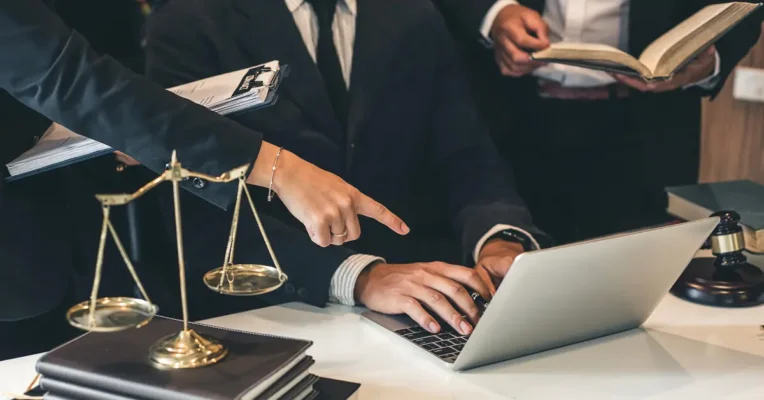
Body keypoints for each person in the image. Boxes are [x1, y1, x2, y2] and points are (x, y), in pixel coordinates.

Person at [144, 0, 550, 335]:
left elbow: (466, 155)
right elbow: (197, 210)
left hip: (417, 312)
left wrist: (499, 238)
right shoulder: (190, 19)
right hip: (267, 316)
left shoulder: (415, 15)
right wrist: (358, 277)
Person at [0, 0, 410, 326]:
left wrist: (130, 127)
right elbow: (66, 76)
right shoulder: (190, 22)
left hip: (61, 239)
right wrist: (276, 168)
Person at [431, 0, 762, 244]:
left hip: (644, 126)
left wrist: (708, 64)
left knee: (636, 291)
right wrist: (494, 14)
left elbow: (745, 10)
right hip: (505, 114)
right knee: (507, 272)